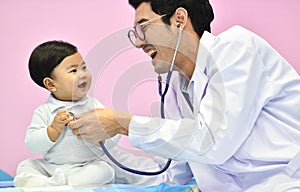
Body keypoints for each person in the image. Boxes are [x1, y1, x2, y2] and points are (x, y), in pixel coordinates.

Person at [69, 0, 300, 191]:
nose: (138, 43)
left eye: (143, 28)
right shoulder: (176, 86)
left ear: (179, 19)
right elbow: (172, 173)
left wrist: (123, 124)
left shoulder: (236, 48)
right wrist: (102, 159)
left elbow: (213, 142)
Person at [15, 40, 193, 187]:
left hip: (87, 166)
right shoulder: (44, 112)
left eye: (84, 67)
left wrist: (101, 136)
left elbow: (112, 134)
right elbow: (33, 145)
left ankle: (57, 186)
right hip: (53, 167)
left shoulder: (93, 106)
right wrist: (52, 130)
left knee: (104, 171)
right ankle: (50, 181)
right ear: (51, 84)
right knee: (27, 165)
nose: (83, 74)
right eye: (74, 71)